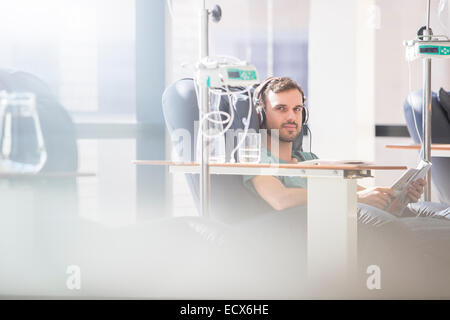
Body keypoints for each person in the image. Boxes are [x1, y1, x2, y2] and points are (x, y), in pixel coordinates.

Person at [242, 76, 450, 294]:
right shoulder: (258, 158)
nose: (292, 117)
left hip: (346, 211)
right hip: (312, 228)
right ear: (262, 115)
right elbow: (280, 199)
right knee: (411, 235)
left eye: (297, 109)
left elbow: (354, 191)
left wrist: (395, 194)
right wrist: (357, 199)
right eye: (281, 109)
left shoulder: (307, 158)